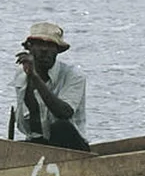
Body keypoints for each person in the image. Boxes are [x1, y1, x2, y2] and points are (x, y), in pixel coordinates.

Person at [11, 21, 90, 151]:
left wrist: (35, 77)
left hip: (73, 148)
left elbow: (64, 113)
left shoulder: (74, 75)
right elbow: (32, 125)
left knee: (61, 127)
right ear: (30, 48)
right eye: (40, 44)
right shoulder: (22, 76)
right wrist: (30, 77)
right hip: (42, 144)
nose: (44, 49)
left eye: (50, 45)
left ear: (57, 50)